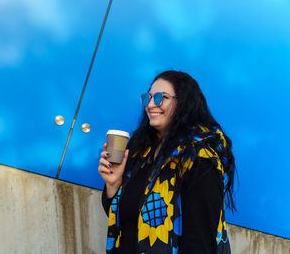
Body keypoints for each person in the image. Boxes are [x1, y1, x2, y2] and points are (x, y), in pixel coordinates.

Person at [98, 70, 235, 254]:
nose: (151, 105)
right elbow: (125, 219)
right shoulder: (142, 149)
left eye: (161, 97)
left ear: (184, 103)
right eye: (148, 97)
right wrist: (113, 185)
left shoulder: (200, 159)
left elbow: (200, 243)